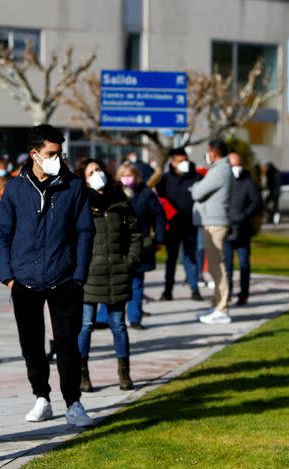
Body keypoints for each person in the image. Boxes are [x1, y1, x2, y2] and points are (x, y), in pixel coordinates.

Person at [0, 124, 95, 427]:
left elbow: (84, 232)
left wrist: (79, 275)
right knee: (31, 343)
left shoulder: (73, 186)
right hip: (24, 280)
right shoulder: (15, 188)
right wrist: (8, 275)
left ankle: (74, 403)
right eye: (51, 153)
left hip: (64, 279)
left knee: (67, 343)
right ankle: (41, 397)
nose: (57, 159)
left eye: (60, 153)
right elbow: (2, 233)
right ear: (34, 154)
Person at [76, 159, 141, 392]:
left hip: (117, 272)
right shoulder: (80, 203)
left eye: (99, 170)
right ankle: (82, 374)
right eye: (91, 172)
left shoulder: (120, 201)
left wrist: (129, 262)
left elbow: (135, 234)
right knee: (85, 325)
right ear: (83, 179)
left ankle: (124, 373)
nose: (96, 174)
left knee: (118, 326)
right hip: (90, 275)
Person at [117, 162, 165, 329]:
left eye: (129, 176)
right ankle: (105, 317)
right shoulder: (115, 193)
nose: (127, 179)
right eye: (123, 176)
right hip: (117, 245)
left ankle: (135, 317)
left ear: (137, 177)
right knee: (115, 282)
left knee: (136, 283)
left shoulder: (146, 194)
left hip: (140, 245)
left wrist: (159, 238)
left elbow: (159, 215)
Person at [192, 139, 234, 325]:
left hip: (215, 223)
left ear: (214, 153)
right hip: (214, 221)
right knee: (216, 266)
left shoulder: (219, 170)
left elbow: (198, 192)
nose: (207, 155)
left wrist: (194, 187)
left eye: (208, 151)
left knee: (217, 267)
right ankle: (217, 304)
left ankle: (222, 308)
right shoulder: (220, 168)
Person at [156, 148, 202, 301]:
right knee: (171, 259)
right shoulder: (166, 179)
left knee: (190, 257)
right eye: (180, 161)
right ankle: (167, 291)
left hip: (190, 225)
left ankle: (194, 289)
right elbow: (158, 201)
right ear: (173, 162)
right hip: (172, 227)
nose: (183, 164)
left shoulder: (196, 178)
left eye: (185, 160)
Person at [224, 153, 262, 306]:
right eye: (233, 165)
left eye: (238, 164)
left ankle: (243, 294)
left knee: (244, 264)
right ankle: (227, 294)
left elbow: (257, 202)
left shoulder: (249, 182)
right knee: (227, 265)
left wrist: (244, 215)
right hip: (227, 229)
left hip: (243, 230)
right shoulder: (224, 181)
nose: (236, 168)